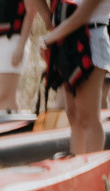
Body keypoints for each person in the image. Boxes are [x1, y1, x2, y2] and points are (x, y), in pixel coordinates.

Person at [38, 0, 109, 155]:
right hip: (67, 42)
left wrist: (49, 38)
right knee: (73, 115)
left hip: (90, 41)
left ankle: (91, 172)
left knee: (88, 117)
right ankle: (77, 163)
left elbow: (81, 16)